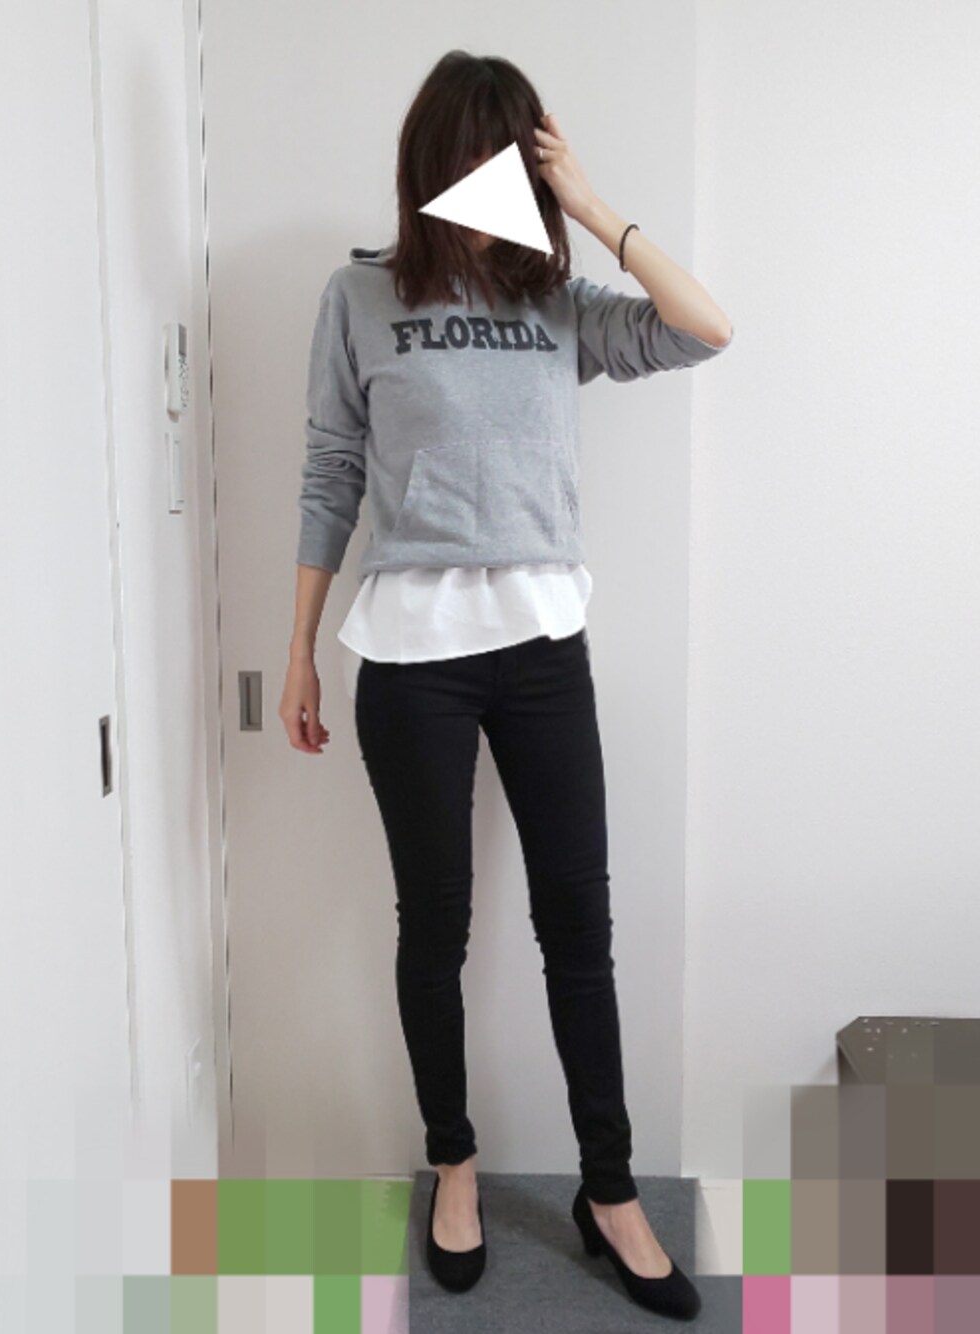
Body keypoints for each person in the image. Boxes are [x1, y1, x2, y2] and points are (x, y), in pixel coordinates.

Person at [279, 49, 732, 1322]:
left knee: (577, 928)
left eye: (518, 160)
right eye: (481, 156)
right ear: (436, 163)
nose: (499, 181)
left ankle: (610, 1189)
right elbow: (329, 470)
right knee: (435, 927)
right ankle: (454, 1162)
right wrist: (299, 646)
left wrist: (593, 206)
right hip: (410, 659)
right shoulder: (360, 295)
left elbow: (705, 327)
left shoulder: (558, 303)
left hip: (542, 652)